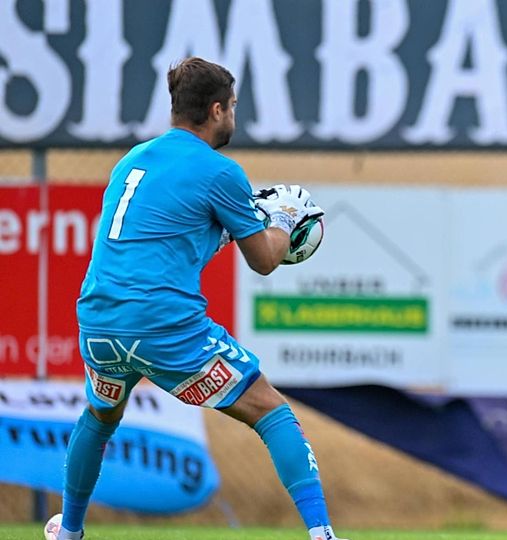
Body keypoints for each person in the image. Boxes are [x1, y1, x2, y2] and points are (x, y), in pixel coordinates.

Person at [44, 57, 343, 540]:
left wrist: (229, 228)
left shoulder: (133, 160)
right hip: (162, 326)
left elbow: (167, 236)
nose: (234, 117)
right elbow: (265, 260)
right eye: (233, 107)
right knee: (271, 411)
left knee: (100, 416)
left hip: (99, 322)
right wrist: (285, 220)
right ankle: (322, 534)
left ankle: (69, 532)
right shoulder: (220, 172)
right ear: (217, 109)